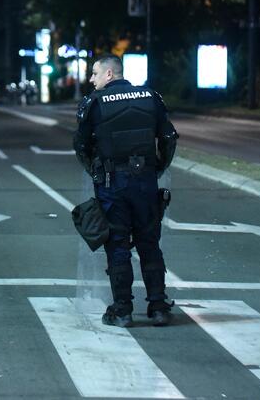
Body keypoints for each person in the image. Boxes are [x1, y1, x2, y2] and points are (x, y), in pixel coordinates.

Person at [73, 54, 179, 327]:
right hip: (145, 181)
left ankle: (122, 309)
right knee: (149, 242)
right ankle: (158, 307)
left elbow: (81, 145)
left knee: (118, 244)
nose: (91, 79)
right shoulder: (151, 97)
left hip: (112, 183)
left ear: (109, 74)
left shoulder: (94, 103)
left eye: (95, 73)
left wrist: (95, 173)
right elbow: (168, 138)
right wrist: (157, 170)